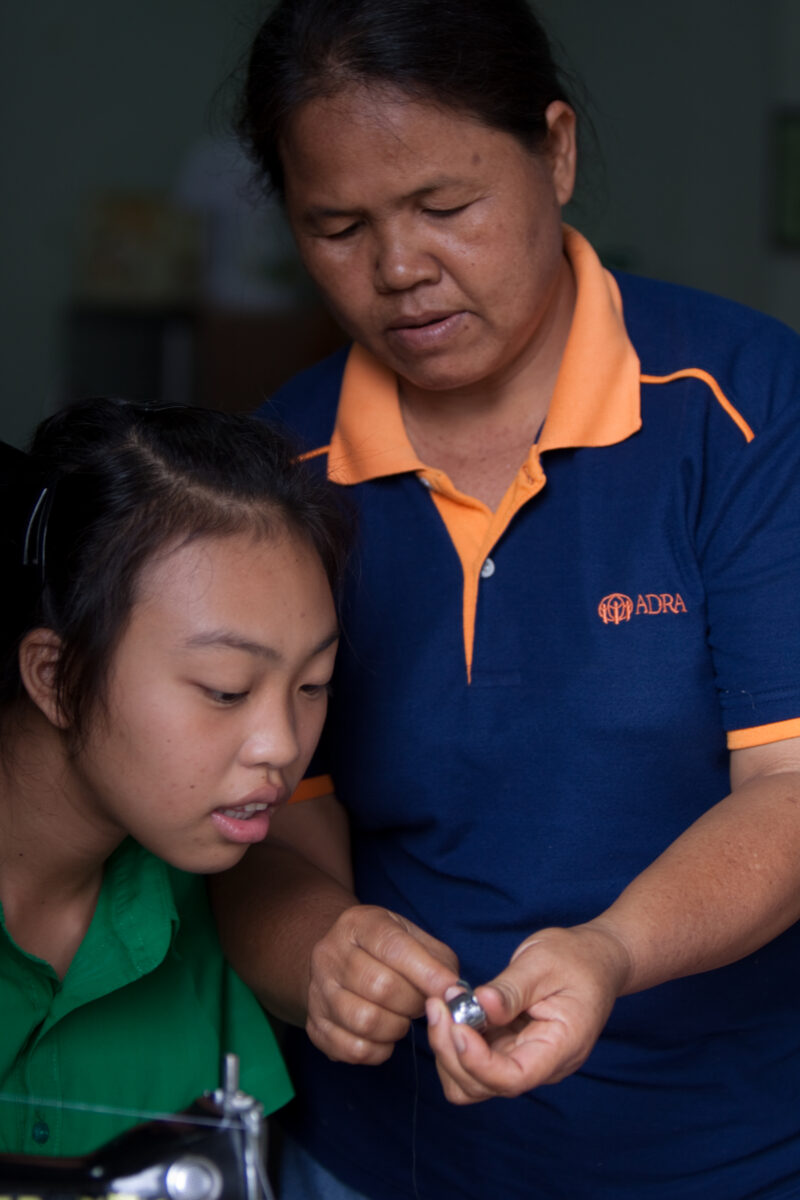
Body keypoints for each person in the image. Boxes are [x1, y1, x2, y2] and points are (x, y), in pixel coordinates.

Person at [212, 1, 800, 1197]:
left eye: (444, 207)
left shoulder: (737, 408)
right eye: (336, 226)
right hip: (383, 1159)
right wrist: (317, 952)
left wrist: (610, 951)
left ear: (556, 149)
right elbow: (263, 832)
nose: (397, 270)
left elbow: (789, 793)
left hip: (726, 1157)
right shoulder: (282, 471)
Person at [0, 397, 349, 1157]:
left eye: (313, 683)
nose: (280, 746)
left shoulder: (200, 915)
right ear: (56, 677)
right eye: (226, 689)